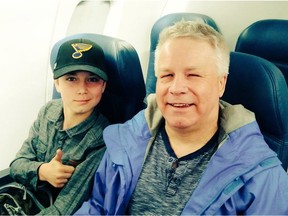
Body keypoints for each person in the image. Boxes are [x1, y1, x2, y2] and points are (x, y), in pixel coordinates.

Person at [75, 20, 288, 215]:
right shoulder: (125, 142)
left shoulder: (261, 177)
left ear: (221, 83)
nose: (176, 88)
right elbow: (98, 207)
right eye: (167, 75)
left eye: (193, 75)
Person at [9, 38, 109, 215]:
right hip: (21, 198)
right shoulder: (48, 111)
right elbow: (17, 165)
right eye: (71, 78)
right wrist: (42, 171)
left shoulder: (101, 138)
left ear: (103, 86)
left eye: (92, 79)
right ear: (57, 83)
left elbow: (63, 210)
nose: (82, 89)